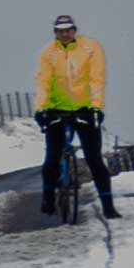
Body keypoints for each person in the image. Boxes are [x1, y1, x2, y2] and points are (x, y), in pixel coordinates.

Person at [33, 14, 119, 219]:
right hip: (57, 110)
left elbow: (97, 79)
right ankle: (47, 197)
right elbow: (43, 82)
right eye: (60, 30)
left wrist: (97, 107)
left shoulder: (91, 48)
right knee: (52, 158)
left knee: (94, 159)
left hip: (85, 110)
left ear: (74, 30)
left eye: (68, 29)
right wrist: (40, 109)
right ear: (55, 32)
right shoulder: (48, 53)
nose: (65, 33)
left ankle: (108, 206)